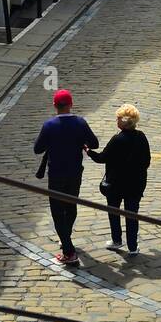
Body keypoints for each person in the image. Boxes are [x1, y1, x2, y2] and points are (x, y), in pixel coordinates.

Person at [33, 89, 98, 267]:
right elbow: (95, 143)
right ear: (71, 105)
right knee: (71, 206)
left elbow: (37, 149)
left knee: (57, 210)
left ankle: (69, 251)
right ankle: (66, 237)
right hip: (75, 172)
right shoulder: (80, 123)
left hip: (56, 174)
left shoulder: (49, 125)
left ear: (55, 106)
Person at [88, 104, 151, 255]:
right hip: (135, 184)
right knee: (132, 214)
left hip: (115, 184)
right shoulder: (141, 137)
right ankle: (133, 247)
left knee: (113, 211)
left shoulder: (117, 139)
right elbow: (147, 161)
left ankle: (117, 240)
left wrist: (88, 151)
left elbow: (101, 158)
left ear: (121, 122)